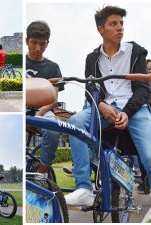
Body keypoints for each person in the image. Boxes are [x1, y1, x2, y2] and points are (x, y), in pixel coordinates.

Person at [65, 5, 151, 206]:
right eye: (113, 24)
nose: (119, 27)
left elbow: (143, 90)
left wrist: (127, 112)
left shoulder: (136, 52)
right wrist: (101, 105)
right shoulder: (92, 58)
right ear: (100, 29)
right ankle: (84, 189)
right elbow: (92, 89)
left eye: (121, 23)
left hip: (135, 109)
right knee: (74, 121)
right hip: (105, 110)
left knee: (148, 154)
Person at [26, 21, 64, 175]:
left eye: (42, 44)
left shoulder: (53, 67)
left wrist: (41, 112)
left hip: (43, 109)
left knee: (54, 129)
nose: (37, 48)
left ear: (47, 43)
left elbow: (53, 99)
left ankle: (42, 172)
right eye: (34, 43)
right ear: (26, 41)